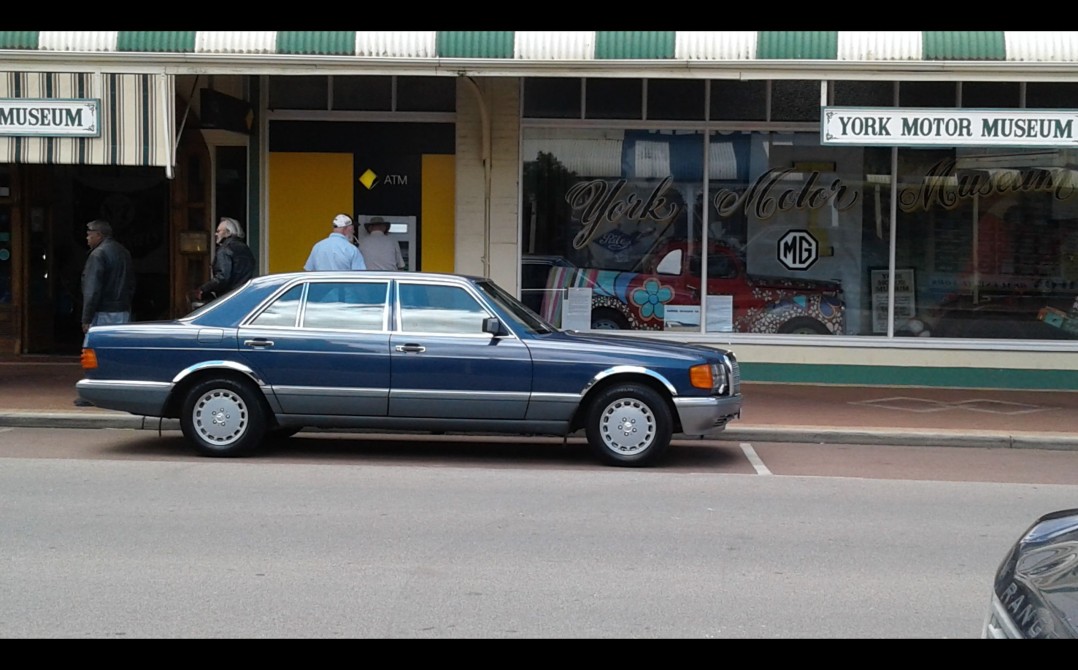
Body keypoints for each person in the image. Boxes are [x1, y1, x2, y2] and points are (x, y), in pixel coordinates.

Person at [76, 219, 135, 406]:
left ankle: (92, 393)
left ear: (99, 235)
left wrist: (86, 318)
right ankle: (118, 390)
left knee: (93, 353)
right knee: (118, 353)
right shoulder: (123, 252)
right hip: (122, 309)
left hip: (103, 311)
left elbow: (92, 290)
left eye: (89, 233)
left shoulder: (98, 255)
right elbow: (132, 284)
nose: (87, 237)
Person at [196, 216, 256, 303]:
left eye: (218, 231)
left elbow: (222, 277)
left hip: (228, 298)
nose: (215, 234)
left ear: (228, 232)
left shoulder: (224, 250)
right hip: (244, 294)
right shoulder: (245, 248)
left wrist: (203, 289)